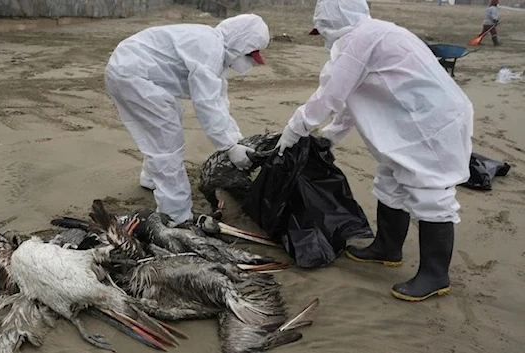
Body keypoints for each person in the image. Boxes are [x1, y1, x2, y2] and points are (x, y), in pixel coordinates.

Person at [276, 0, 473, 302]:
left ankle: (435, 275)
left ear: (331, 21)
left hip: (432, 122)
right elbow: (354, 97)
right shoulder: (372, 34)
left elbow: (329, 96)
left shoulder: (358, 41)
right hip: (412, 118)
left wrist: (294, 129)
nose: (323, 36)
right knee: (390, 180)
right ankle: (387, 248)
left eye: (323, 29)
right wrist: (330, 137)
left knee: (430, 192)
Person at [105, 14, 270, 226]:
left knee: (165, 121)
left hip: (130, 69)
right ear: (240, 44)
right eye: (249, 55)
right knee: (167, 142)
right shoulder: (209, 49)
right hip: (133, 75)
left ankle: (151, 178)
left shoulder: (213, 47)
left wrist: (237, 140)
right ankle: (175, 214)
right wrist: (229, 146)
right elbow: (207, 104)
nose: (249, 62)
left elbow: (219, 99)